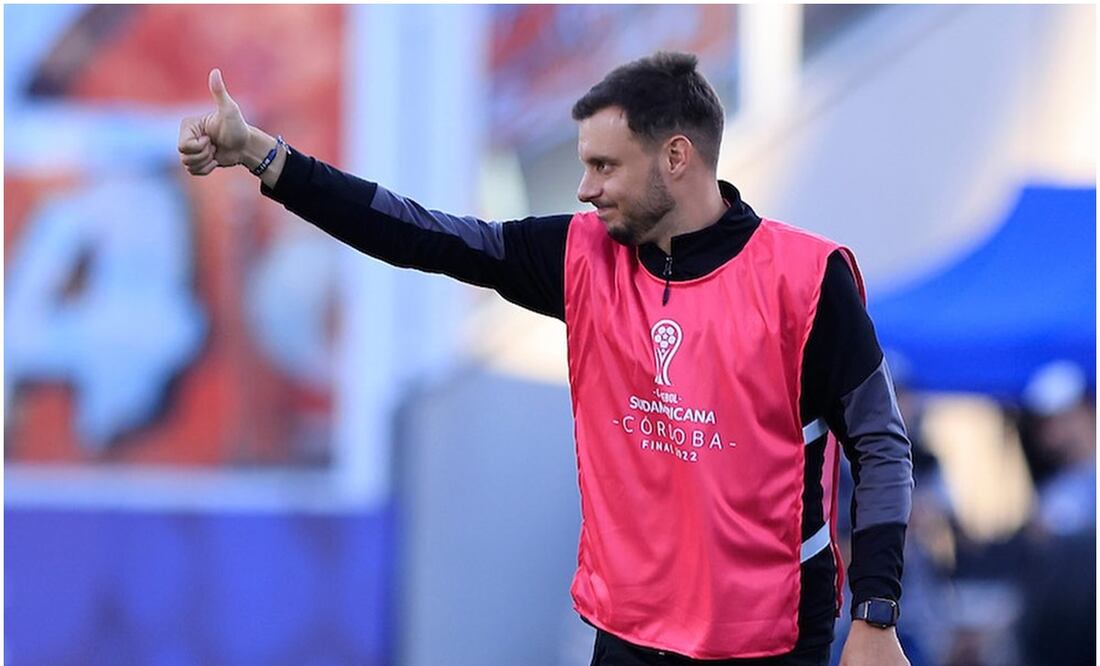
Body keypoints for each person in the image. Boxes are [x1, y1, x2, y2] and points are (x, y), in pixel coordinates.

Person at [178, 52, 913, 666]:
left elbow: (881, 446)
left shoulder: (806, 279)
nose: (585, 188)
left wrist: (876, 616)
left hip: (771, 644)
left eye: (603, 165)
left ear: (677, 158)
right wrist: (267, 160)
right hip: (624, 638)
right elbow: (418, 234)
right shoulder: (579, 256)